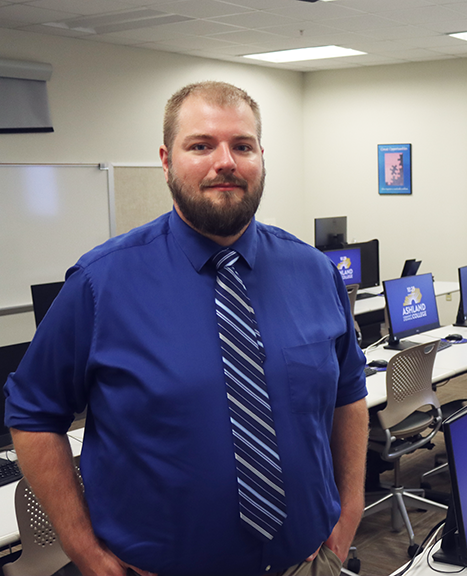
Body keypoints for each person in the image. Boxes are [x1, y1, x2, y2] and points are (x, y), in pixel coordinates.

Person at [4, 81, 369, 576]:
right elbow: (32, 414)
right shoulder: (100, 284)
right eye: (200, 145)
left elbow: (348, 394)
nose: (226, 162)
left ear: (262, 156)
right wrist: (82, 547)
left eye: (242, 146)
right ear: (166, 159)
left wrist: (349, 509)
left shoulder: (314, 272)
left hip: (307, 562)